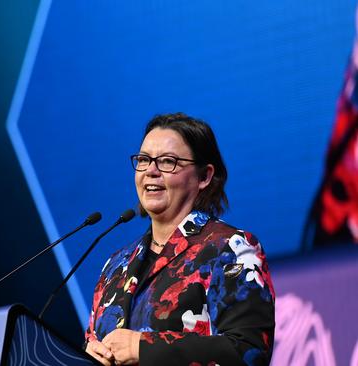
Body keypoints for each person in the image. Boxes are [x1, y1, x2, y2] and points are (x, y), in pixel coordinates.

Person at [84, 113, 275, 365]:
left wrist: (141, 347)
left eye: (167, 162)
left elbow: (248, 351)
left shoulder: (229, 249)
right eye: (143, 160)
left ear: (204, 176)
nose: (151, 171)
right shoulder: (115, 267)